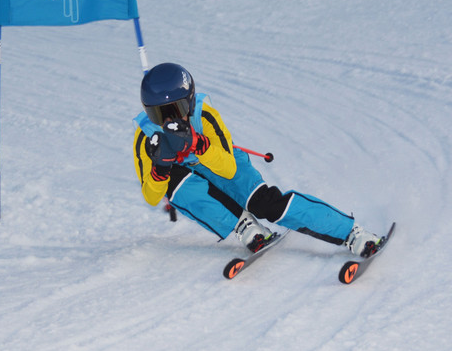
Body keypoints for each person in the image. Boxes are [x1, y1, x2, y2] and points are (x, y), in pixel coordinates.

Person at [133, 62, 384, 257]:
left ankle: (351, 233)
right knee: (174, 184)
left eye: (175, 110)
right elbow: (151, 197)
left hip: (222, 163)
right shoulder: (146, 138)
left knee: (264, 204)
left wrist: (199, 144)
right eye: (158, 115)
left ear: (189, 103)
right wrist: (160, 169)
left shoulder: (204, 117)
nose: (168, 121)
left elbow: (228, 169)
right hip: (189, 178)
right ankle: (242, 224)